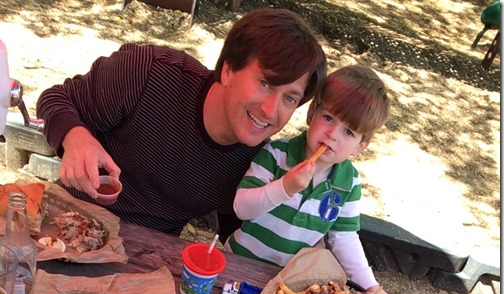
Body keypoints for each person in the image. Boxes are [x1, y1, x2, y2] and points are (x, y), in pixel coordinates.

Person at [36, 9, 327, 243]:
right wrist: (75, 137)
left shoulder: (257, 164)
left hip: (146, 257)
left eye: (289, 98)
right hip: (62, 223)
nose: (271, 110)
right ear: (228, 69)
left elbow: (240, 236)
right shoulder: (148, 72)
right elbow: (55, 99)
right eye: (265, 83)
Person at [227, 65, 397, 294]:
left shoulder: (348, 183)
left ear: (360, 146)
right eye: (328, 118)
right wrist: (285, 187)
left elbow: (344, 237)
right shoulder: (277, 153)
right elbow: (242, 208)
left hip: (288, 283)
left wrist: (371, 287)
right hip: (237, 263)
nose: (332, 134)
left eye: (348, 132)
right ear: (311, 114)